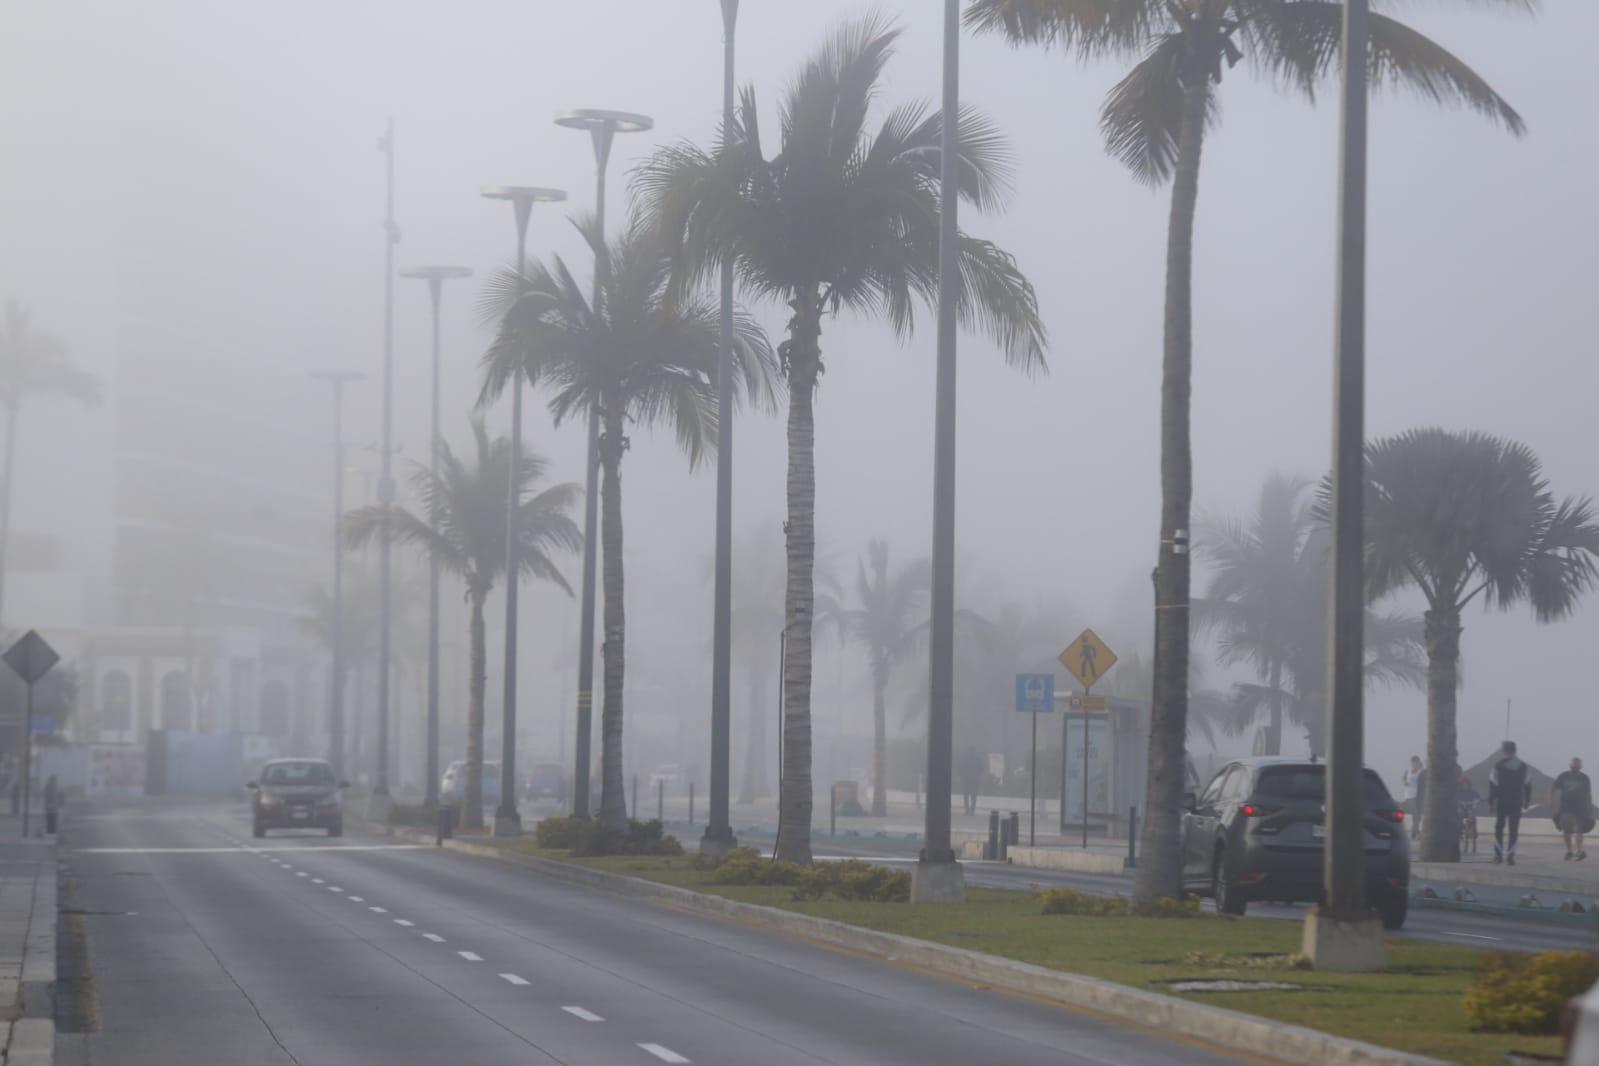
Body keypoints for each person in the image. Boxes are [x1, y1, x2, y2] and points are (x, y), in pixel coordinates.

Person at [1488, 740, 1533, 865]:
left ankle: (1498, 856)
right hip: (1516, 800)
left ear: (1503, 751)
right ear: (1515, 750)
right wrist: (1527, 800)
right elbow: (1528, 784)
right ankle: (1510, 856)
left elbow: (1493, 785)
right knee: (1514, 829)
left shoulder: (1497, 765)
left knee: (1499, 828)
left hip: (1502, 800)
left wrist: (1491, 803)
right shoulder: (1523, 766)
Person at [1551, 757, 1594, 862]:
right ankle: (1569, 851)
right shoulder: (1563, 776)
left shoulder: (1585, 778)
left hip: (1580, 807)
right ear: (1570, 765)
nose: (1575, 765)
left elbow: (1588, 794)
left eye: (1577, 764)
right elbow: (1554, 789)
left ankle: (1579, 851)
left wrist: (1590, 808)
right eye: (1574, 763)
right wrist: (1553, 804)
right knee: (1566, 830)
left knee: (1579, 830)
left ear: (1580, 766)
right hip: (1565, 807)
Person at [1401, 756, 1425, 841]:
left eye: (1415, 762)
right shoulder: (1408, 770)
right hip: (1409, 795)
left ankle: (1415, 830)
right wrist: (1404, 782)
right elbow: (1403, 778)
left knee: (1417, 814)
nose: (1414, 763)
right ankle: (1415, 831)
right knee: (1416, 812)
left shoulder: (1422, 771)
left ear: (1418, 762)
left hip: (1419, 795)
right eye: (1412, 762)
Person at [959, 746, 984, 816]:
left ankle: (967, 810)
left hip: (967, 779)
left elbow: (960, 769)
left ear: (968, 752)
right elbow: (981, 769)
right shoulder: (978, 760)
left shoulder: (965, 759)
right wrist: (978, 775)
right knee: (973, 796)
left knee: (966, 795)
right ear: (974, 752)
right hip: (975, 780)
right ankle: (972, 810)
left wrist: (962, 775)